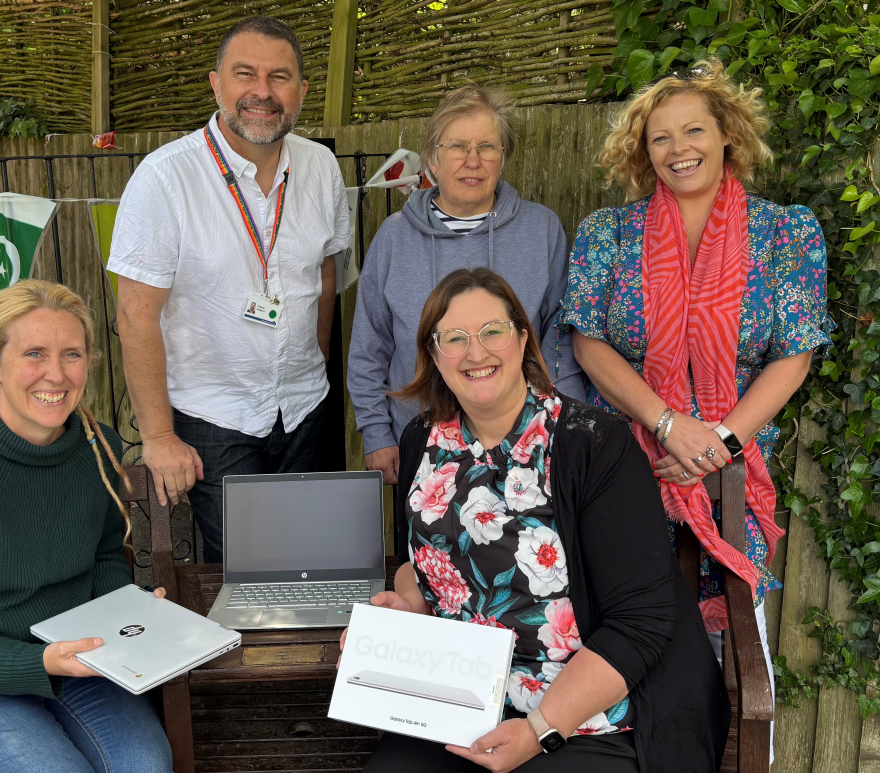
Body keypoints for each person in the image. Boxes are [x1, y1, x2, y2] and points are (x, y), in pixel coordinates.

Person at [347, 267, 729, 773]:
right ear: (434, 355)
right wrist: (408, 604)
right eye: (454, 338)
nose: (476, 352)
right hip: (463, 701)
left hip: (590, 717)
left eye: (492, 332)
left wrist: (537, 730)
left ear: (523, 337)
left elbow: (641, 623)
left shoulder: (592, 444)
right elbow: (422, 565)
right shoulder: (423, 439)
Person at [560, 58, 833, 753]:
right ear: (640, 149)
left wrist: (719, 443)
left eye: (694, 130)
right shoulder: (606, 235)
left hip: (729, 479)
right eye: (660, 137)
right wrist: (667, 425)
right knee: (623, 632)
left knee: (738, 654)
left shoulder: (786, 234)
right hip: (625, 469)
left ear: (727, 135)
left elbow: (794, 354)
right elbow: (590, 344)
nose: (679, 148)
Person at [0, 280, 173, 773]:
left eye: (72, 354)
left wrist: (130, 611)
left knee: (145, 765)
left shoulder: (96, 449)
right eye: (34, 353)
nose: (56, 374)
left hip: (78, 664)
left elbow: (103, 556)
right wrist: (39, 663)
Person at [109, 16, 351, 562]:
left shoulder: (322, 167)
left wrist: (312, 359)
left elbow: (326, 272)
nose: (262, 92)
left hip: (305, 408)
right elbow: (135, 316)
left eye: (279, 77)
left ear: (302, 92)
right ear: (216, 83)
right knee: (250, 576)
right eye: (245, 74)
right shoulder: (165, 178)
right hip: (215, 419)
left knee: (312, 564)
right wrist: (159, 437)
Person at [347, 85, 584, 491]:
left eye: (487, 147)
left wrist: (565, 425)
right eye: (457, 146)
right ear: (432, 159)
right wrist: (377, 433)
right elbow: (370, 345)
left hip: (526, 446)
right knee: (428, 555)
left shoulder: (540, 230)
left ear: (503, 157)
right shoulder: (394, 238)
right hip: (419, 444)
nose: (472, 161)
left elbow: (561, 339)